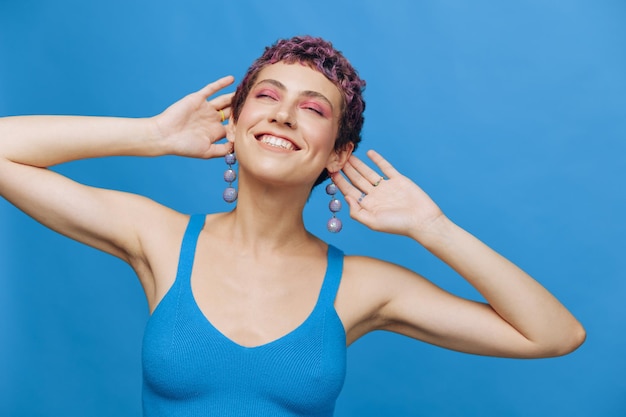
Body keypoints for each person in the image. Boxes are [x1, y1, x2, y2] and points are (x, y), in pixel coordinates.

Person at [0, 36, 585, 416]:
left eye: (313, 107)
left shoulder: (363, 286)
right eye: (268, 96)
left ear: (338, 153)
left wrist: (433, 228)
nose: (282, 113)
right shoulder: (158, 237)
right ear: (235, 120)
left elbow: (553, 334)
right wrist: (149, 136)